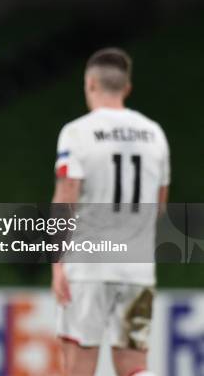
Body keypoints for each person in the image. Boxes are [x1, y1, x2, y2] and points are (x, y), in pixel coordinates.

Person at [52, 48, 170, 376]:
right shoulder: (155, 135)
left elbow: (66, 199)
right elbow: (159, 206)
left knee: (78, 366)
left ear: (90, 83)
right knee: (134, 367)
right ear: (126, 88)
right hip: (138, 268)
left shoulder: (77, 132)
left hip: (87, 268)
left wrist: (57, 263)